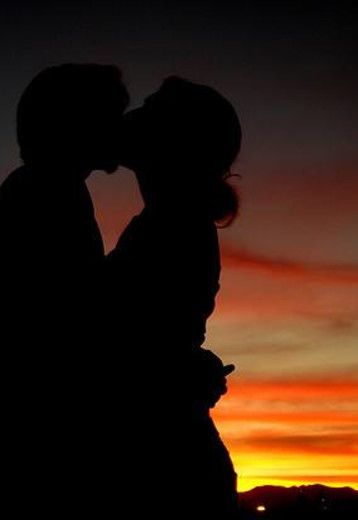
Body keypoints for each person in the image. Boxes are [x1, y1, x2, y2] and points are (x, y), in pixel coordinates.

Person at [0, 63, 129, 518]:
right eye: (114, 112)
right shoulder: (48, 192)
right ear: (76, 121)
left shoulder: (49, 188)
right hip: (32, 450)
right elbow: (75, 319)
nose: (123, 125)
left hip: (19, 442)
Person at [105, 76, 242, 518]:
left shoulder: (171, 228)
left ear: (173, 142)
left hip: (160, 468)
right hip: (174, 457)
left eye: (148, 109)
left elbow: (112, 336)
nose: (130, 117)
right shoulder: (168, 222)